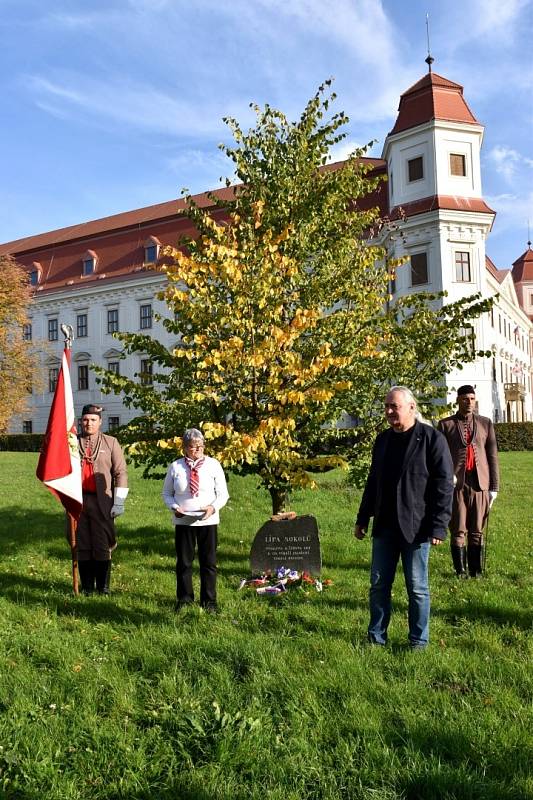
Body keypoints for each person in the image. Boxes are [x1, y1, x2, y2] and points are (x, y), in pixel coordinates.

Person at [354, 386, 453, 648]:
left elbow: (444, 485)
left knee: (417, 589)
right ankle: (376, 638)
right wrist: (363, 518)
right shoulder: (383, 440)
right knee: (378, 586)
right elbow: (373, 481)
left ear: (411, 407)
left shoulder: (432, 439)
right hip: (385, 526)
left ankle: (418, 642)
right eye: (386, 406)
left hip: (416, 527)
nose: (388, 412)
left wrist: (439, 526)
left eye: (393, 407)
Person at [162, 428, 229, 613]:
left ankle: (209, 602)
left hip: (208, 520)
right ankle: (184, 599)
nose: (197, 450)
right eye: (192, 447)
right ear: (184, 448)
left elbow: (223, 494)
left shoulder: (213, 465)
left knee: (209, 562)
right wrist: (175, 508)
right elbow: (167, 493)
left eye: (200, 446)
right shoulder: (176, 467)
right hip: (184, 521)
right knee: (184, 562)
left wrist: (212, 507)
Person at [438, 385, 499, 578]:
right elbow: (438, 458)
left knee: (477, 529)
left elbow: (493, 457)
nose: (469, 402)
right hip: (456, 484)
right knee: (459, 528)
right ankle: (461, 571)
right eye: (465, 399)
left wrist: (494, 487)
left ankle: (476, 570)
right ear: (458, 400)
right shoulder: (445, 425)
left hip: (480, 483)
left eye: (472, 398)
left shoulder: (485, 423)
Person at [77, 404, 128, 595]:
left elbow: (120, 472)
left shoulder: (111, 442)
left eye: (92, 420)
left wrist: (119, 501)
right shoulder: (72, 442)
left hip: (102, 501)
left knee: (102, 542)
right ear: (81, 421)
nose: (88, 423)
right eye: (85, 420)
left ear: (100, 422)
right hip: (78, 500)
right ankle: (87, 587)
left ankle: (103, 587)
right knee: (82, 543)